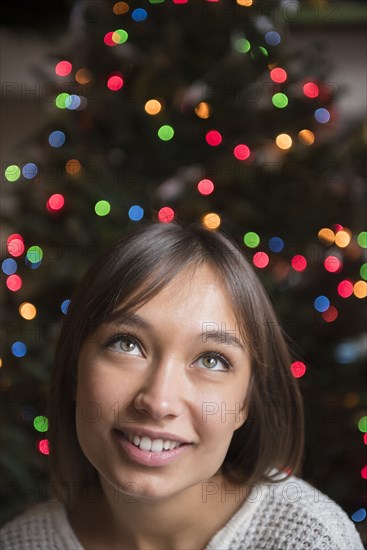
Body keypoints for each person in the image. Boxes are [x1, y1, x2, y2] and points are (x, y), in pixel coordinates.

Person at [0, 220, 364, 550]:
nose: (158, 402)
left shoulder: (312, 539)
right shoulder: (19, 544)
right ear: (75, 372)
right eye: (127, 344)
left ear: (245, 403)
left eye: (211, 360)